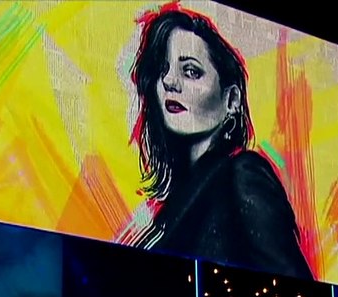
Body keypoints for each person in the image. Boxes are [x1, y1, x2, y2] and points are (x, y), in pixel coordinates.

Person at [120, 3, 313, 281]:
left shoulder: (242, 174)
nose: (169, 82)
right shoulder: (174, 207)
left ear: (231, 101)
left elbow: (293, 288)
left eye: (191, 71)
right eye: (164, 69)